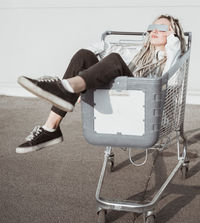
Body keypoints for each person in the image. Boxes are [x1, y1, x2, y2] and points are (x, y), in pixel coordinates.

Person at [16, 14, 186, 154]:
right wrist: (86, 81)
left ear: (172, 34)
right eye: (152, 27)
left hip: (144, 113)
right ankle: (50, 127)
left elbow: (170, 81)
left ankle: (65, 89)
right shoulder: (136, 53)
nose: (154, 30)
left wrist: (174, 43)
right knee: (83, 55)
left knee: (115, 61)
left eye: (163, 28)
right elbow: (102, 47)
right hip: (119, 102)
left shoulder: (174, 60)